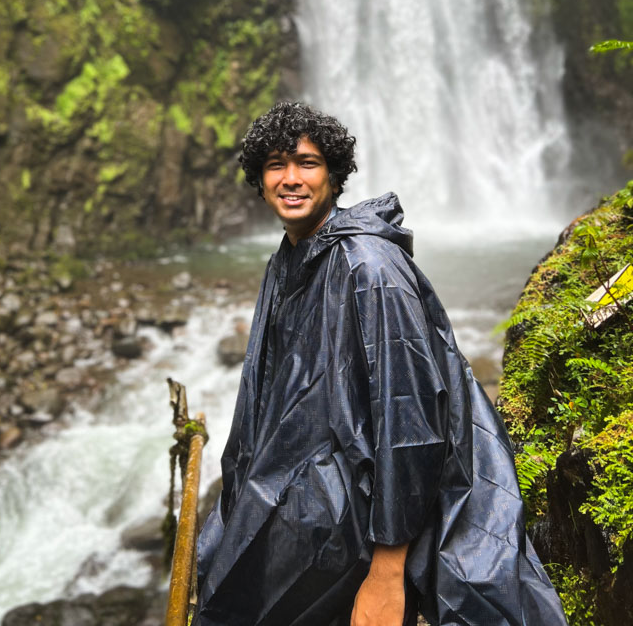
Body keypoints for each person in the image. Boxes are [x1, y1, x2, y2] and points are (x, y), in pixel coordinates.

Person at [194, 102, 568, 626]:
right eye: (276, 165)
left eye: (307, 162)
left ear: (334, 174)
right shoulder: (289, 261)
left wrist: (387, 575)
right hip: (320, 514)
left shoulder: (369, 268)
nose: (291, 178)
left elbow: (410, 421)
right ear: (260, 179)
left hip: (366, 535)